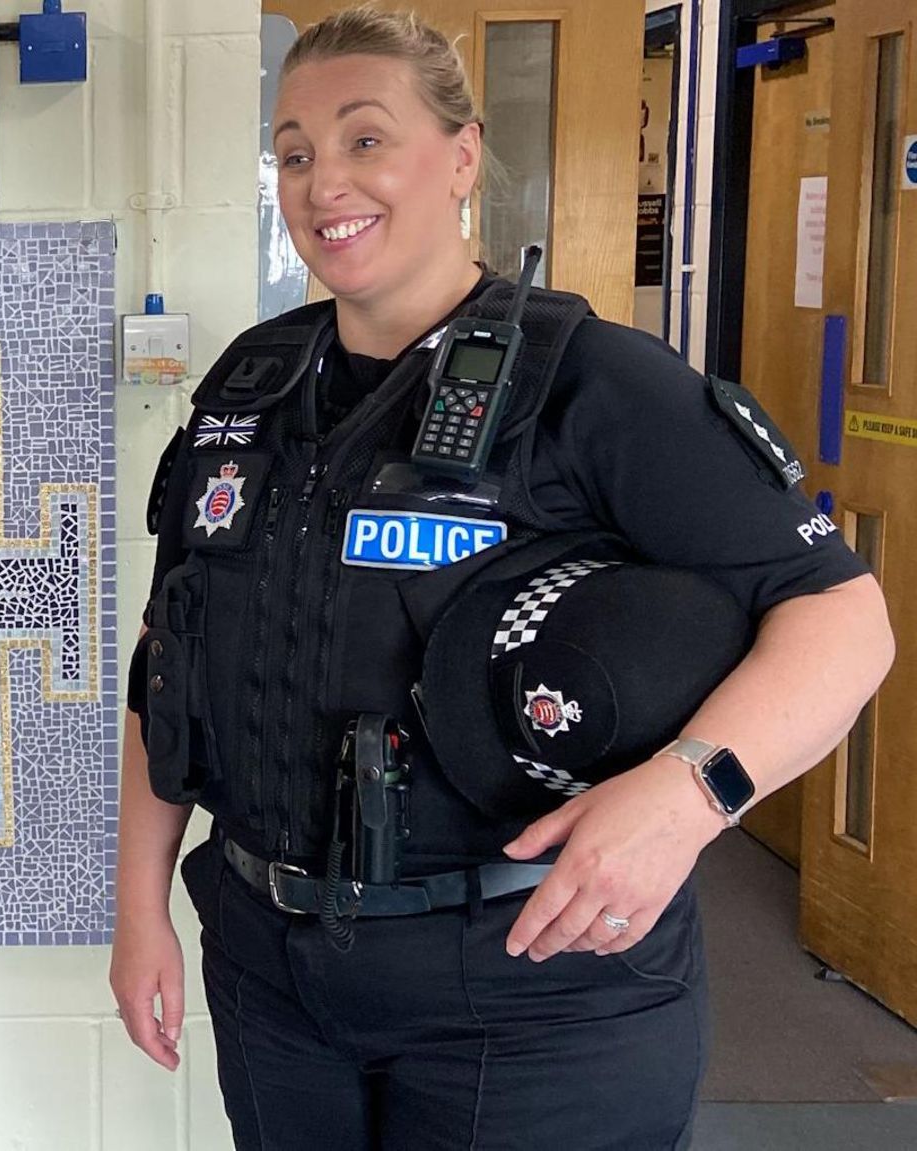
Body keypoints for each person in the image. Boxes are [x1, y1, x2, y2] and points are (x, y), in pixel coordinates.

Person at [109, 7, 894, 1148]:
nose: (322, 177)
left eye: (364, 138)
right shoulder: (249, 386)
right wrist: (140, 909)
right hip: (271, 969)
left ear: (461, 156)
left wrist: (688, 793)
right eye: (292, 151)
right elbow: (165, 658)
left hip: (533, 983)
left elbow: (841, 616)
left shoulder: (595, 383)